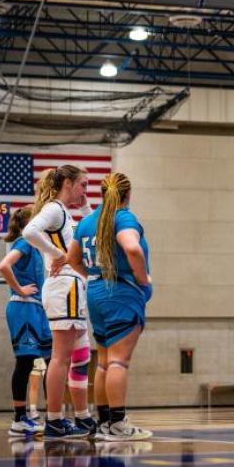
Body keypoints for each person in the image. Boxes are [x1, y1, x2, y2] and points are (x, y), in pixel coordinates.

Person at [66, 172, 153, 441]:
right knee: (119, 362)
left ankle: (104, 423)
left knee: (103, 363)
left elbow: (72, 259)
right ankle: (118, 424)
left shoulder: (87, 222)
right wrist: (142, 277)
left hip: (96, 293)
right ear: (127, 194)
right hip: (121, 293)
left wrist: (93, 276)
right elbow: (133, 248)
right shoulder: (123, 217)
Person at [23, 165, 96, 440]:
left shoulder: (66, 213)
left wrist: (86, 204)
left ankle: (82, 418)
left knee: (79, 357)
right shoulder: (54, 209)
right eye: (83, 185)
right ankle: (54, 420)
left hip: (72, 288)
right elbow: (30, 231)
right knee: (60, 358)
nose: (85, 191)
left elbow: (94, 231)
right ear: (67, 183)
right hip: (64, 287)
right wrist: (58, 255)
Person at [0, 205, 50, 436]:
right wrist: (19, 289)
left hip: (39, 309)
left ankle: (54, 417)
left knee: (52, 360)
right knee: (25, 362)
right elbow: (3, 265)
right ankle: (19, 420)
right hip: (23, 308)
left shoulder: (38, 247)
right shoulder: (25, 242)